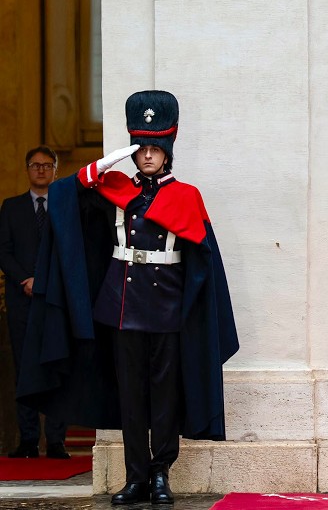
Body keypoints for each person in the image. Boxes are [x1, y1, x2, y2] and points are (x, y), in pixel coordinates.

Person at [16, 91, 238, 506]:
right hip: (121, 307)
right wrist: (100, 166)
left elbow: (202, 262)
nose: (148, 156)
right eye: (142, 149)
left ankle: (160, 474)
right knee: (130, 398)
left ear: (168, 151)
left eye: (155, 148)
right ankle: (135, 476)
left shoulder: (186, 195)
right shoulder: (114, 189)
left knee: (165, 398)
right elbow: (64, 197)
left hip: (167, 309)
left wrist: (198, 315)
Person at [0, 147, 69, 459]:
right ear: (27, 169)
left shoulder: (65, 207)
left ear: (55, 170)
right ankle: (28, 440)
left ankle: (56, 441)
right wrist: (25, 280)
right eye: (35, 165)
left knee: (57, 367)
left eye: (47, 165)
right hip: (22, 301)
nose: (41, 170)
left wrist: (46, 281)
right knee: (24, 371)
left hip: (55, 300)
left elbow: (69, 251)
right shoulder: (11, 208)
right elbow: (4, 251)